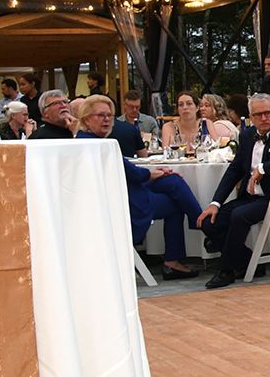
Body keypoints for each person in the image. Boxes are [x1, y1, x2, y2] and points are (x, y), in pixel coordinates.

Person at [76, 95, 202, 280]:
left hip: (123, 190)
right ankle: (189, 240)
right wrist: (151, 174)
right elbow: (130, 173)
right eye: (100, 115)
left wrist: (155, 173)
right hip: (124, 201)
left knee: (172, 181)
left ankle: (199, 221)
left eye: (109, 115)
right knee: (175, 202)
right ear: (86, 118)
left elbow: (126, 170)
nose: (106, 120)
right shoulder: (97, 144)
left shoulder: (86, 139)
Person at [197, 93, 270, 289]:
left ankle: (226, 270)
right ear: (250, 117)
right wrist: (216, 203)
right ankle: (249, 262)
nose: (263, 118)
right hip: (253, 197)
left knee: (239, 216)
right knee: (208, 221)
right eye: (258, 115)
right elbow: (234, 170)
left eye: (268, 113)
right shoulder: (247, 135)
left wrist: (263, 168)